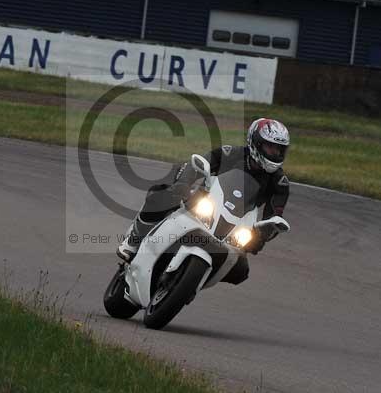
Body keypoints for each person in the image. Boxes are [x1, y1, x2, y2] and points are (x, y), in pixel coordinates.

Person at [116, 118, 291, 283]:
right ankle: (133, 241)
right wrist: (182, 185)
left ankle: (193, 281)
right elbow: (199, 163)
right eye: (271, 147)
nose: (275, 153)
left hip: (236, 224)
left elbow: (274, 218)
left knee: (241, 271)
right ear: (256, 143)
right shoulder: (231, 153)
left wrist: (261, 236)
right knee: (159, 197)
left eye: (279, 150)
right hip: (206, 200)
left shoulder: (280, 183)